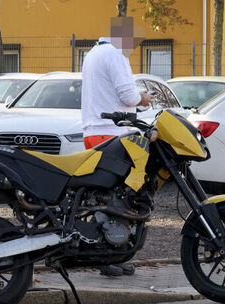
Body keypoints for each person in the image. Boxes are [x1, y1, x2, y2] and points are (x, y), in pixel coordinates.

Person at [81, 16, 153, 276]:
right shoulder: (115, 54)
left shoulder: (93, 53)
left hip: (92, 133)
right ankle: (109, 254)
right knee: (120, 198)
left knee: (103, 197)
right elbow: (128, 96)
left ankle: (110, 251)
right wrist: (143, 98)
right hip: (113, 134)